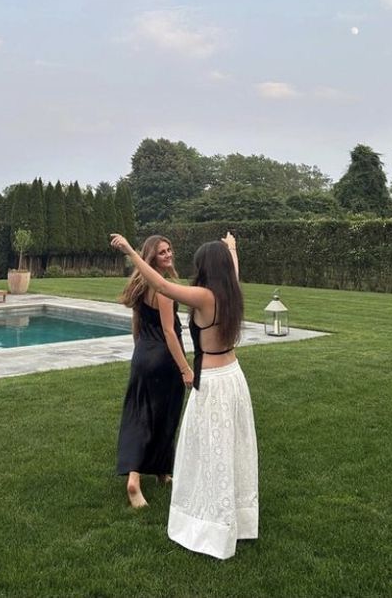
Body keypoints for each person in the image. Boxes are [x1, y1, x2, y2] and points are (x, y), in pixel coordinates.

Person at [110, 231, 258, 560]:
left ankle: (213, 522)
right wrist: (233, 249)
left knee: (207, 449)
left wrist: (131, 252)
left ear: (206, 267)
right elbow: (232, 269)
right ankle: (239, 518)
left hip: (214, 381)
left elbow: (162, 286)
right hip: (235, 377)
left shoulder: (204, 296)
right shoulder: (231, 292)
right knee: (232, 447)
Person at [115, 235, 193, 508]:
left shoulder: (140, 285)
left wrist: (141, 355)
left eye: (170, 249)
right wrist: (185, 368)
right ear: (152, 258)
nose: (169, 254)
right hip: (164, 359)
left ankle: (161, 472)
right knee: (162, 416)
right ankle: (134, 480)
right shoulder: (163, 289)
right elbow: (170, 333)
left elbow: (137, 325)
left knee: (141, 415)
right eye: (162, 252)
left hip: (143, 356)